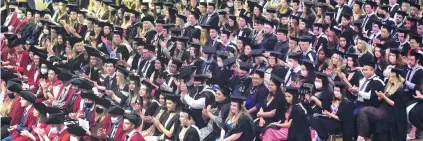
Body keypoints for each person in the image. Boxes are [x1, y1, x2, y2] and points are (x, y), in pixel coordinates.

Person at [356, 68, 407, 141]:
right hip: (382, 108)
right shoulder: (388, 86)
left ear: (398, 78)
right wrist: (380, 97)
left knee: (364, 111)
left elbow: (395, 104)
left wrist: (384, 96)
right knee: (363, 112)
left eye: (393, 77)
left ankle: (362, 137)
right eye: (390, 76)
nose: (391, 78)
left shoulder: (400, 89)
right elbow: (381, 100)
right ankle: (363, 136)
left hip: (389, 112)